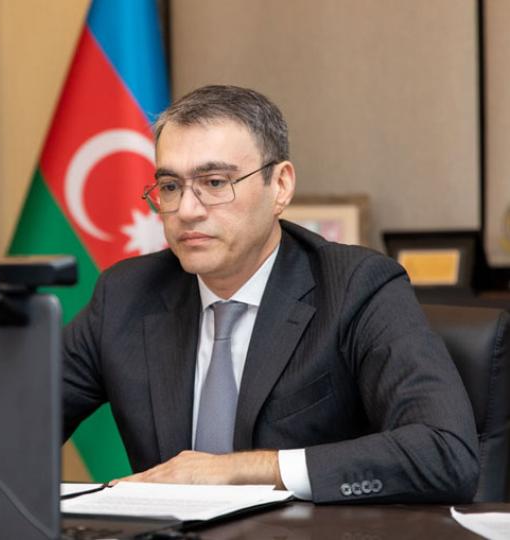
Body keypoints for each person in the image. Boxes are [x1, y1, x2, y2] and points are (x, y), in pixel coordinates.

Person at [62, 85, 479, 503]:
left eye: (214, 182)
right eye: (170, 186)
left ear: (280, 186)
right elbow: (25, 425)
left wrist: (242, 470)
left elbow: (444, 453)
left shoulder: (356, 286)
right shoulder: (126, 295)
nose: (187, 210)